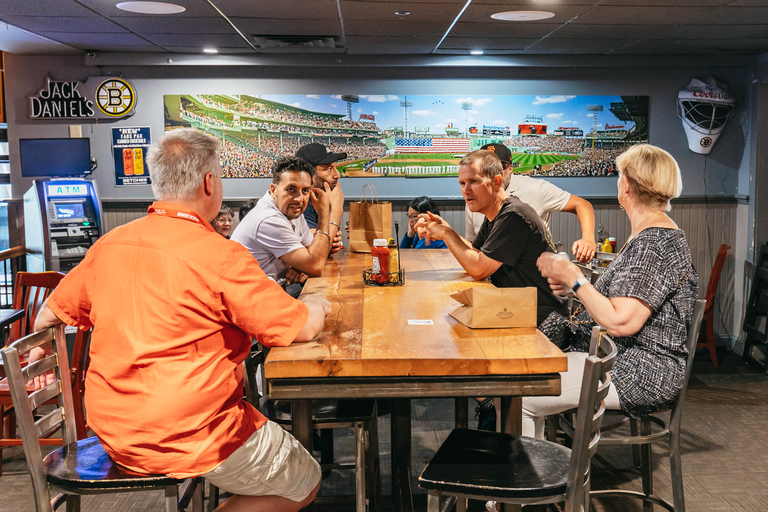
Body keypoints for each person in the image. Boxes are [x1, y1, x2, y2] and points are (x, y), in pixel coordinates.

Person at [33, 128, 329, 512]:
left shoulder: (108, 245)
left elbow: (45, 318)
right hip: (194, 434)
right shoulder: (221, 257)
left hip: (111, 431)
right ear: (209, 183)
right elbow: (300, 328)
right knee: (304, 480)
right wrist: (321, 307)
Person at [526, 143, 698, 439]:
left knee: (521, 396)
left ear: (627, 185)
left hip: (640, 371)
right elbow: (621, 302)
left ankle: (534, 481)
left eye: (620, 177)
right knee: (524, 378)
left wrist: (575, 278)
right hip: (620, 357)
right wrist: (573, 288)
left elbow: (621, 322)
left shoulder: (653, 243)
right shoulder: (651, 233)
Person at [415, 149, 569, 431]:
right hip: (519, 311)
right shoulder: (495, 214)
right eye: (462, 184)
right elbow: (474, 253)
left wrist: (447, 235)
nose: (466, 190)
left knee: (454, 342)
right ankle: (491, 408)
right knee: (453, 331)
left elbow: (478, 268)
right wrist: (445, 228)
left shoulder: (513, 216)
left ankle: (496, 415)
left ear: (497, 182)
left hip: (544, 322)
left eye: (473, 182)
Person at [465, 143, 597, 264]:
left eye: (500, 167)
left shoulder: (535, 188)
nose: (493, 174)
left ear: (511, 168)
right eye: (486, 169)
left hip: (534, 278)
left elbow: (581, 204)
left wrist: (588, 239)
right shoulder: (475, 199)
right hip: (493, 277)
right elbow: (473, 246)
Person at [231, 156, 343, 296]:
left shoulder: (291, 210)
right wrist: (333, 212)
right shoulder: (269, 219)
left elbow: (314, 252)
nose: (299, 199)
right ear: (273, 190)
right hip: (247, 300)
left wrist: (301, 266)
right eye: (291, 189)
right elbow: (316, 265)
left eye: (305, 191)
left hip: (269, 292)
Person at [296, 142, 345, 255]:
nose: (337, 175)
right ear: (308, 173)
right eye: (329, 168)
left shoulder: (316, 198)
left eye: (335, 167)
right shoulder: (299, 202)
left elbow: (320, 247)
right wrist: (336, 210)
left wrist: (329, 241)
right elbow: (318, 253)